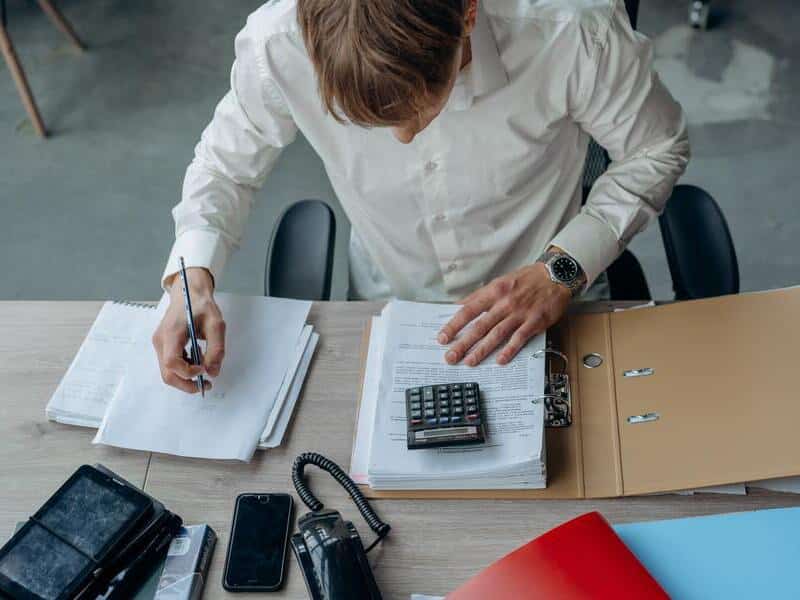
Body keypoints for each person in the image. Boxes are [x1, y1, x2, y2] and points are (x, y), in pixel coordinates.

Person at [153, 0, 689, 393]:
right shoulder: (279, 42)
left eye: (421, 111)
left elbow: (657, 148)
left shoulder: (571, 28)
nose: (404, 140)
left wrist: (563, 270)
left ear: (469, 16)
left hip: (555, 299)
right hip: (389, 301)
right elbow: (223, 167)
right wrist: (190, 281)